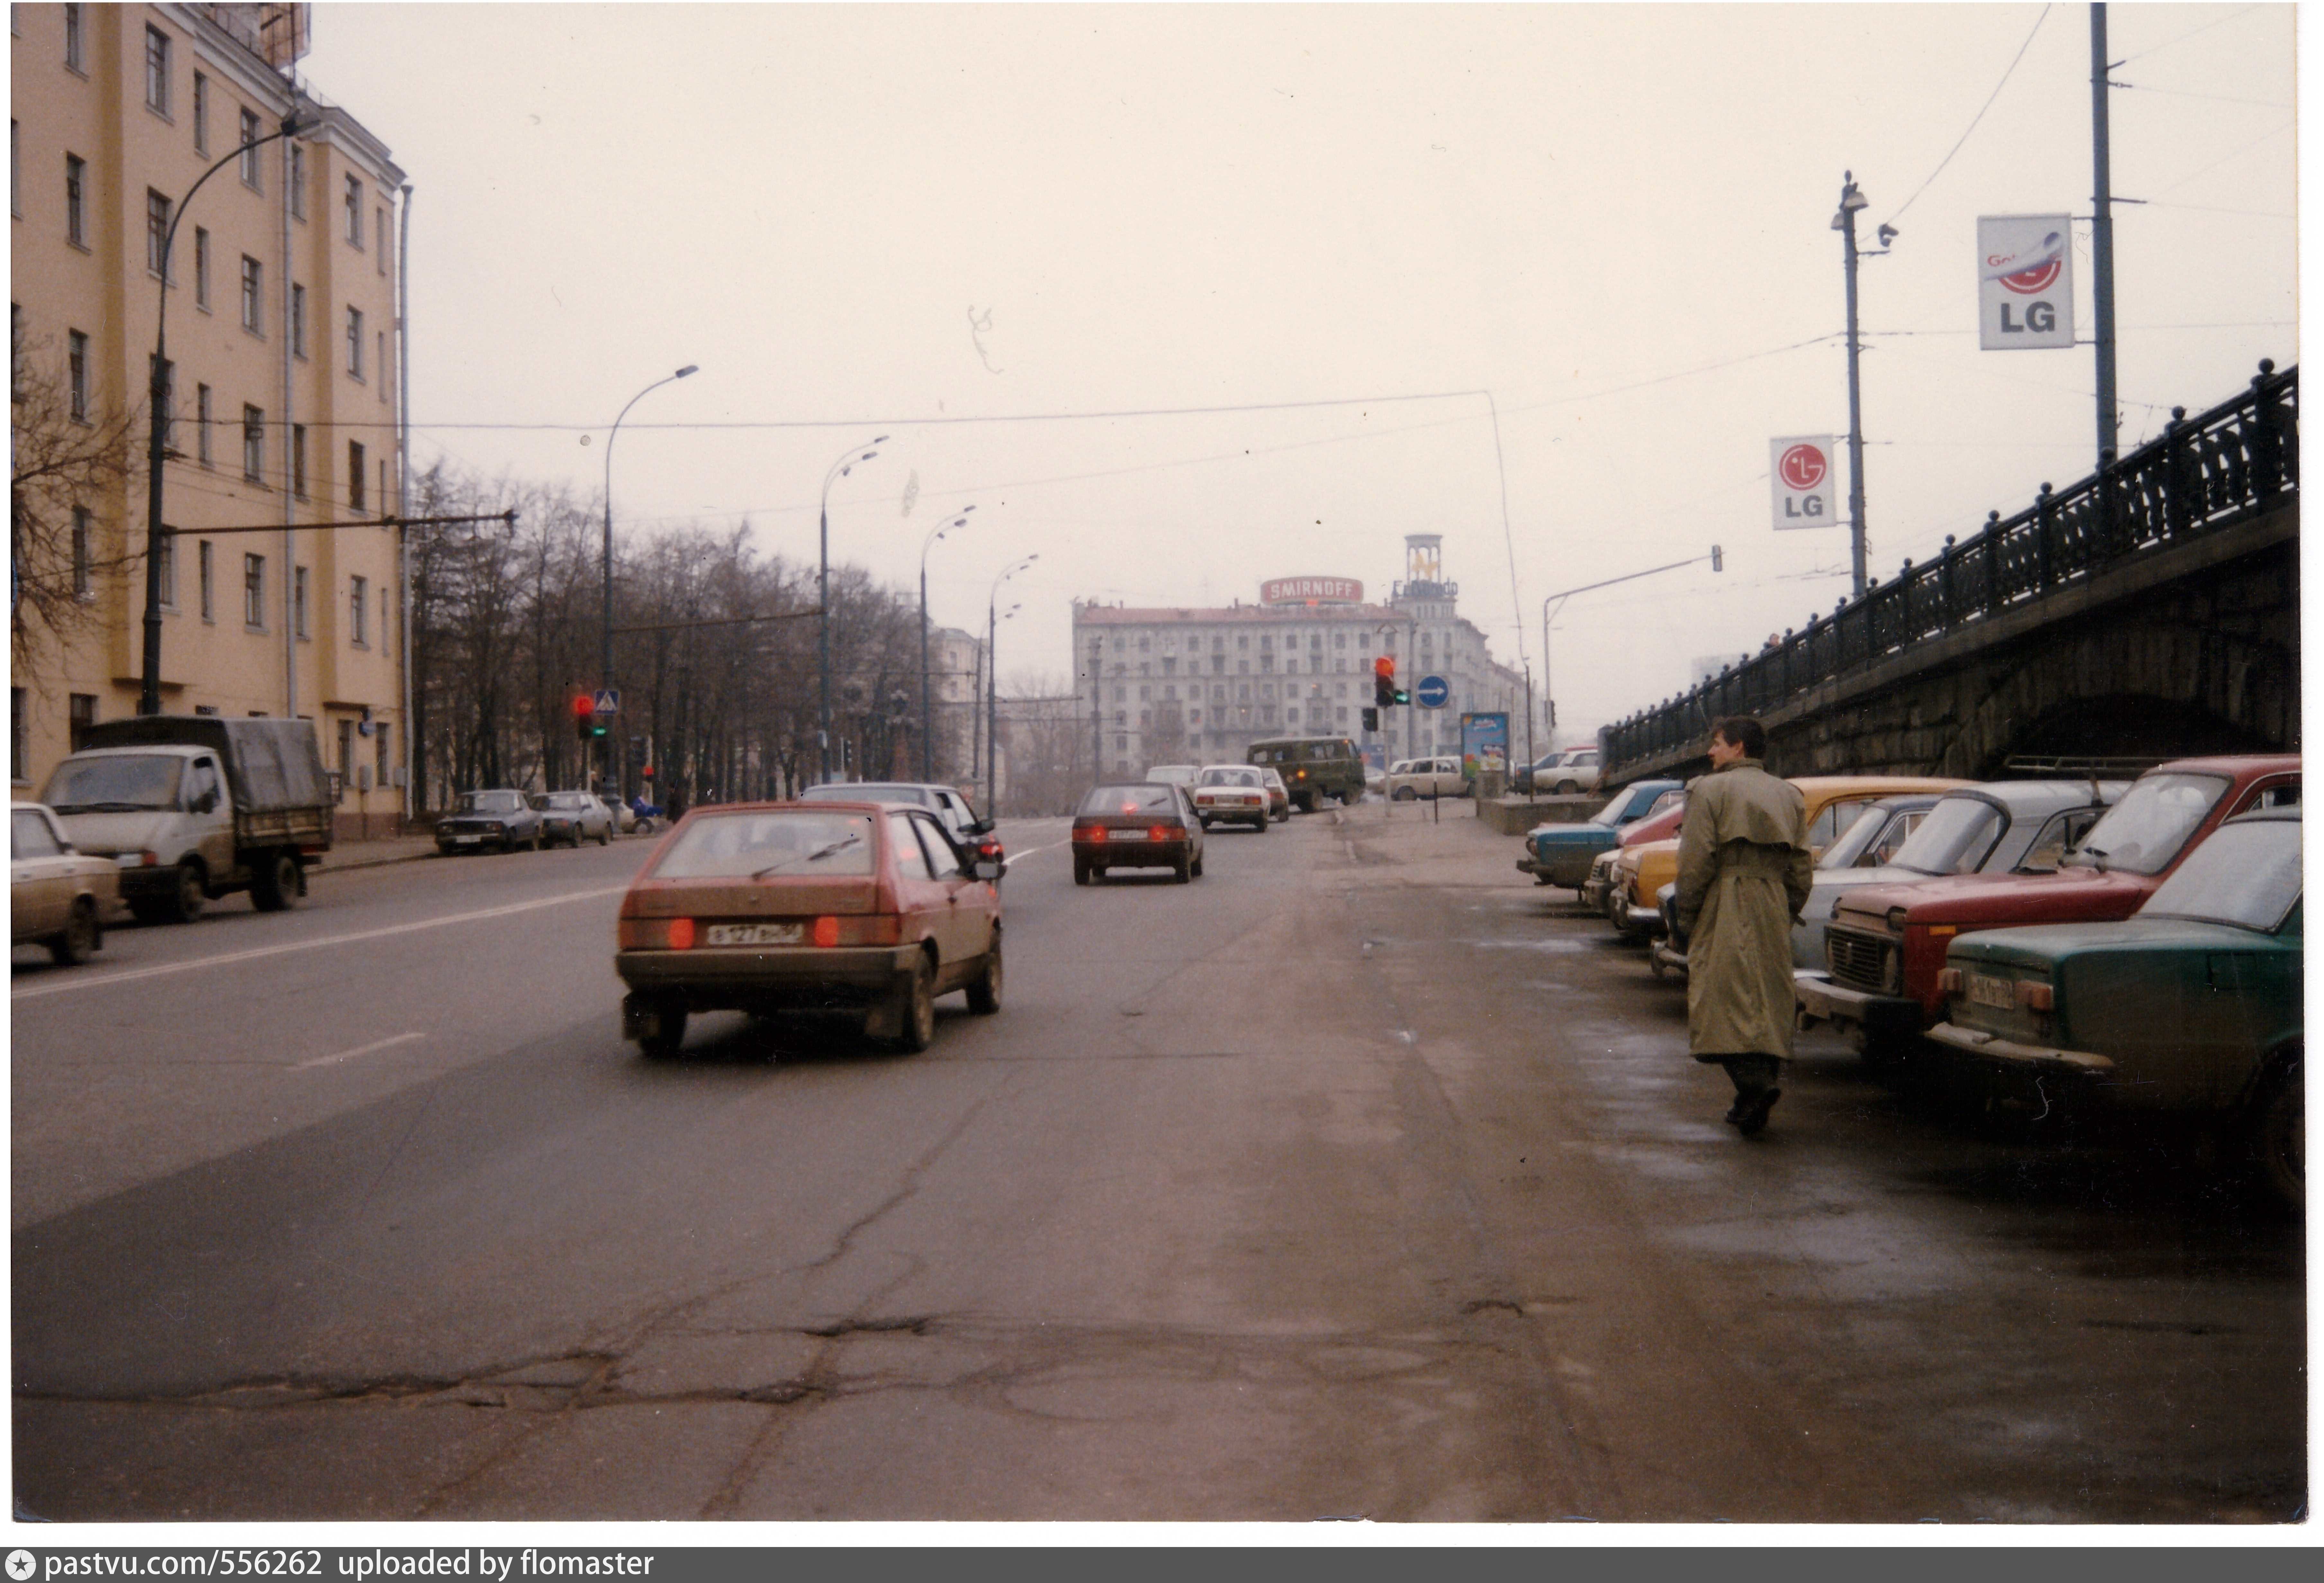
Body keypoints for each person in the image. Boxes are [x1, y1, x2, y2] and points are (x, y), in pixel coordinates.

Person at [1673, 716, 1812, 1136]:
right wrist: (1784, 909)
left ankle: (1756, 1086)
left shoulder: (1708, 790)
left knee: (1718, 996)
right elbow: (1802, 868)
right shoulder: (1789, 794)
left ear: (1737, 748)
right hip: (1772, 900)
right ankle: (1752, 1095)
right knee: (1768, 999)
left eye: (1717, 744)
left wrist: (1688, 914)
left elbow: (1696, 860)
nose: (1710, 752)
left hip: (1725, 897)